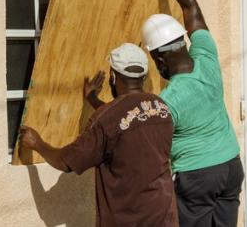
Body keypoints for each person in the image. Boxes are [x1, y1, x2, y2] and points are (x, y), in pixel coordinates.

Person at [18, 43, 178, 227]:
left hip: (126, 221)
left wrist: (37, 143)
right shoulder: (161, 108)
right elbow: (127, 119)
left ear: (113, 76)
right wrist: (92, 99)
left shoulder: (106, 120)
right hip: (164, 217)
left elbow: (65, 161)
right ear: (143, 76)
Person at [141, 0, 243, 227]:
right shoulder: (206, 56)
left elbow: (148, 139)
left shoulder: (169, 100)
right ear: (182, 42)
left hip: (197, 176)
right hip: (231, 166)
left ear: (159, 58)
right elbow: (190, 6)